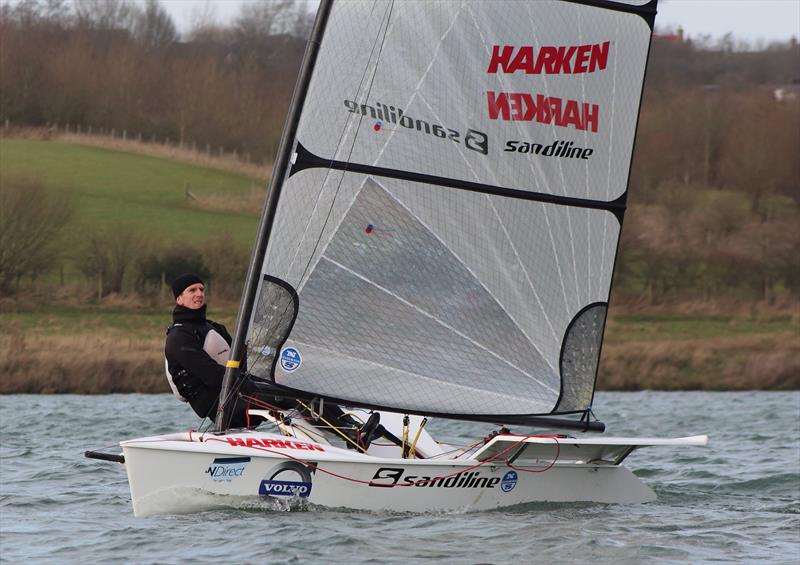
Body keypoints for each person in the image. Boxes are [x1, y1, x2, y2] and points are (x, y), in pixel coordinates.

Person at [164, 273, 388, 446]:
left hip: (238, 393)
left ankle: (350, 427)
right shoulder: (178, 336)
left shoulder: (213, 327)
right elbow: (210, 375)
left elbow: (239, 366)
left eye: (201, 289)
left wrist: (251, 360)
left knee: (299, 387)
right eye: (192, 290)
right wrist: (255, 385)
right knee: (288, 397)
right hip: (221, 405)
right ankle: (351, 435)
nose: (199, 293)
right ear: (179, 298)